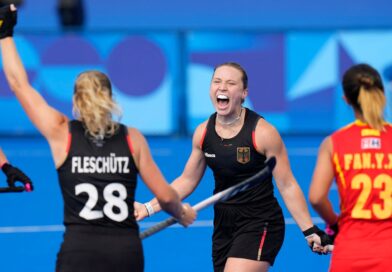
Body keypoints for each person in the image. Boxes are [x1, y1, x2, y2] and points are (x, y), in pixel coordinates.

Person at [0, 4, 196, 272]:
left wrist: (5, 32)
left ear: (75, 101)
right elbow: (165, 197)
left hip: (78, 251)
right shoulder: (132, 139)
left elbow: (18, 84)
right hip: (125, 253)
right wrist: (183, 214)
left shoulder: (62, 133)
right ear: (110, 100)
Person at [135, 62, 332, 272]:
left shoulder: (263, 133)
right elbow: (187, 180)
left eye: (231, 83)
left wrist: (309, 230)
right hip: (224, 223)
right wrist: (148, 208)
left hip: (260, 220)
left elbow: (287, 185)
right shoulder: (203, 133)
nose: (222, 87)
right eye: (217, 82)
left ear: (244, 92)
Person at [309, 64, 392, 271]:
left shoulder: (334, 142)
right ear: (381, 94)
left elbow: (317, 198)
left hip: (350, 253)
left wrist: (335, 223)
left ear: (346, 99)